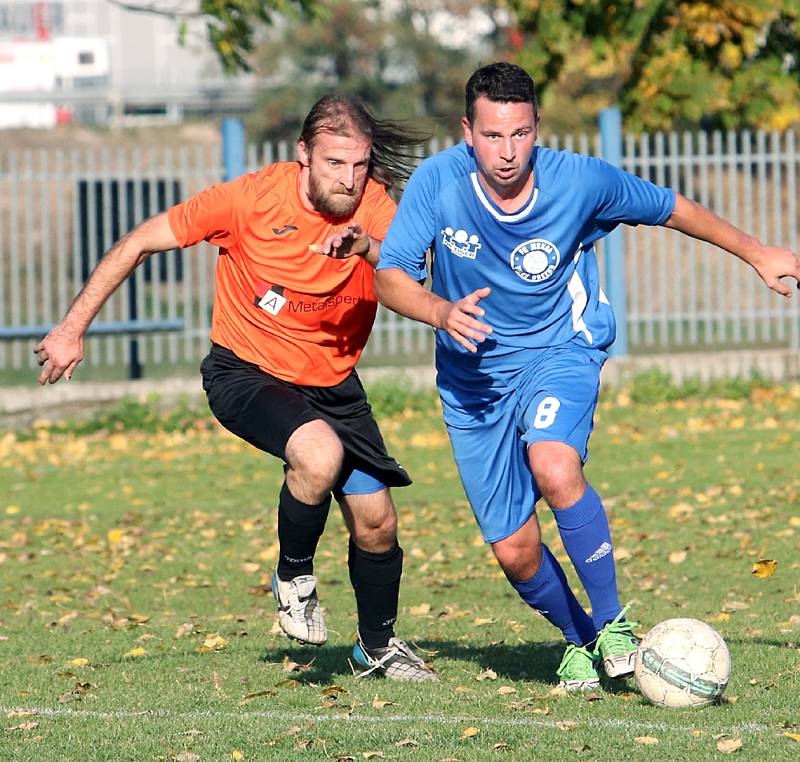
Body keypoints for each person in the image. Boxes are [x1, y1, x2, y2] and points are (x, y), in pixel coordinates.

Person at [374, 62, 800, 690]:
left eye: (520, 134)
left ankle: (614, 626)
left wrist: (757, 252)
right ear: (468, 131)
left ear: (537, 127)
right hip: (474, 386)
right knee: (514, 551)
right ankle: (581, 641)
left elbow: (671, 208)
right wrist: (440, 311)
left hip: (560, 351)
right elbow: (390, 277)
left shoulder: (580, 182)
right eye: (493, 135)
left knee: (554, 465)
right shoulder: (438, 183)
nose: (507, 151)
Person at [34, 95, 437, 683]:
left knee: (377, 521)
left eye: (359, 165)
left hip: (333, 386)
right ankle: (293, 577)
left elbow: (415, 271)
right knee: (317, 454)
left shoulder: (372, 206)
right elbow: (138, 242)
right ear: (303, 154)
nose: (349, 180)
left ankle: (377, 646)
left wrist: (366, 248)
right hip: (246, 371)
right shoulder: (248, 200)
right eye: (334, 164)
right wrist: (71, 329)